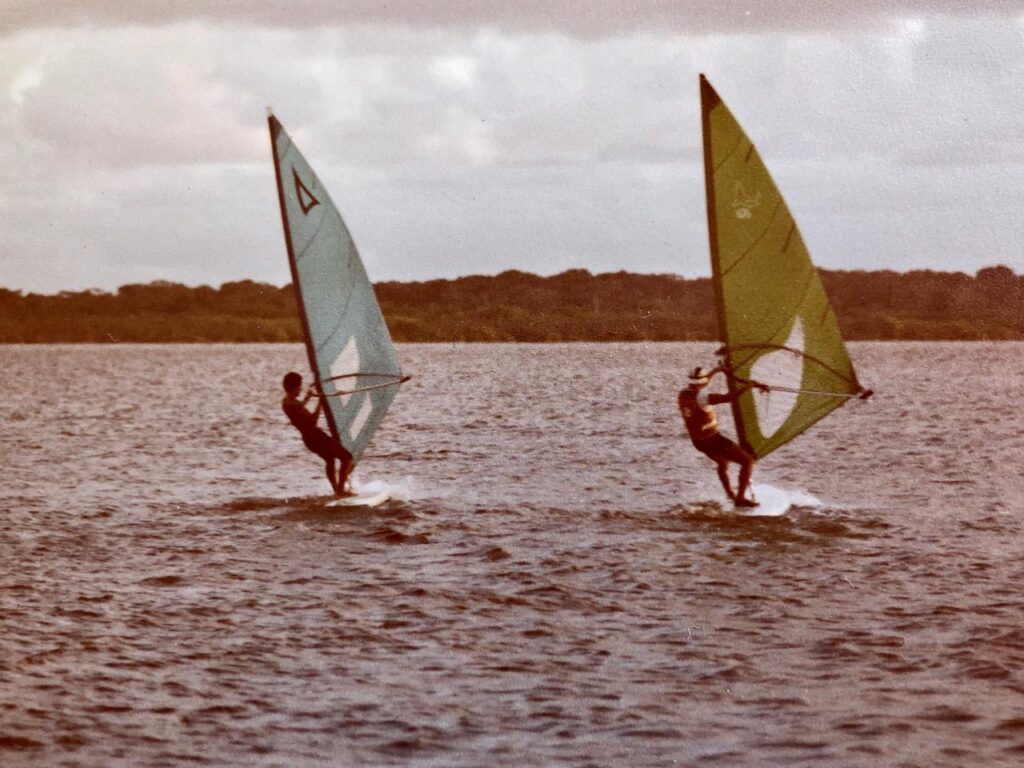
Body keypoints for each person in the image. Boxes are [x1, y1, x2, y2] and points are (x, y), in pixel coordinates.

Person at [678, 365, 766, 507]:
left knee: (723, 462)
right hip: (712, 439)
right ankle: (740, 499)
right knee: (748, 462)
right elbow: (729, 397)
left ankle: (730, 493)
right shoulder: (702, 396)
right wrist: (749, 386)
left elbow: (703, 382)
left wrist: (718, 369)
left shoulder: (683, 393)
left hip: (698, 442)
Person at [281, 371, 354, 496]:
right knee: (347, 458)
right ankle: (340, 491)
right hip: (316, 437)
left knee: (330, 460)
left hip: (309, 439)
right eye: (299, 386)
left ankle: (337, 490)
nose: (301, 389)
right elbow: (312, 419)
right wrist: (320, 402)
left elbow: (299, 407)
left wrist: (310, 398)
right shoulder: (291, 405)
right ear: (293, 388)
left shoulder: (285, 401)